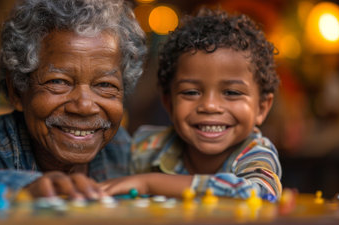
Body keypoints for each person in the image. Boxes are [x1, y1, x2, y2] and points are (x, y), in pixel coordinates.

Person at [0, 0, 146, 200]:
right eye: (58, 82)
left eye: (105, 85)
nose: (84, 106)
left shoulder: (119, 149)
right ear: (17, 91)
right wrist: (18, 186)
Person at [101, 8, 282, 200]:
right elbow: (108, 186)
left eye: (231, 93)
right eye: (191, 92)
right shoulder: (147, 147)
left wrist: (147, 183)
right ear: (169, 103)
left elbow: (260, 194)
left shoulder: (256, 154)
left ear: (262, 108)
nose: (210, 106)